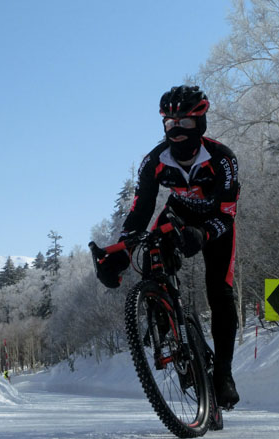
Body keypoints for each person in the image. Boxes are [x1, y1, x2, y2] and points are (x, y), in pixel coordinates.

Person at [97, 85, 240, 409]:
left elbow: (228, 214)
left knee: (220, 291)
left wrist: (202, 235)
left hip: (215, 222)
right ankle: (168, 332)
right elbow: (139, 213)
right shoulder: (154, 162)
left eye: (184, 124)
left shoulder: (222, 159)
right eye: (169, 124)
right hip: (178, 213)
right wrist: (119, 254)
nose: (176, 131)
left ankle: (224, 375)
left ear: (200, 123)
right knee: (150, 249)